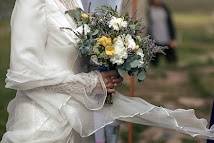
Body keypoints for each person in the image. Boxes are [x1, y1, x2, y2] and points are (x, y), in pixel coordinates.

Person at [1, 0, 214, 143]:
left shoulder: (73, 1)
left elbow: (73, 56)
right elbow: (23, 73)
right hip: (41, 123)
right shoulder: (31, 2)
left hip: (75, 118)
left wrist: (108, 67)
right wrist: (93, 82)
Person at [147, 0, 177, 66]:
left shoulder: (165, 8)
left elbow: (170, 24)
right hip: (155, 42)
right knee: (154, 65)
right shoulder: (149, 10)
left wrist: (173, 38)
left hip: (167, 40)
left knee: (172, 64)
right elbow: (147, 27)